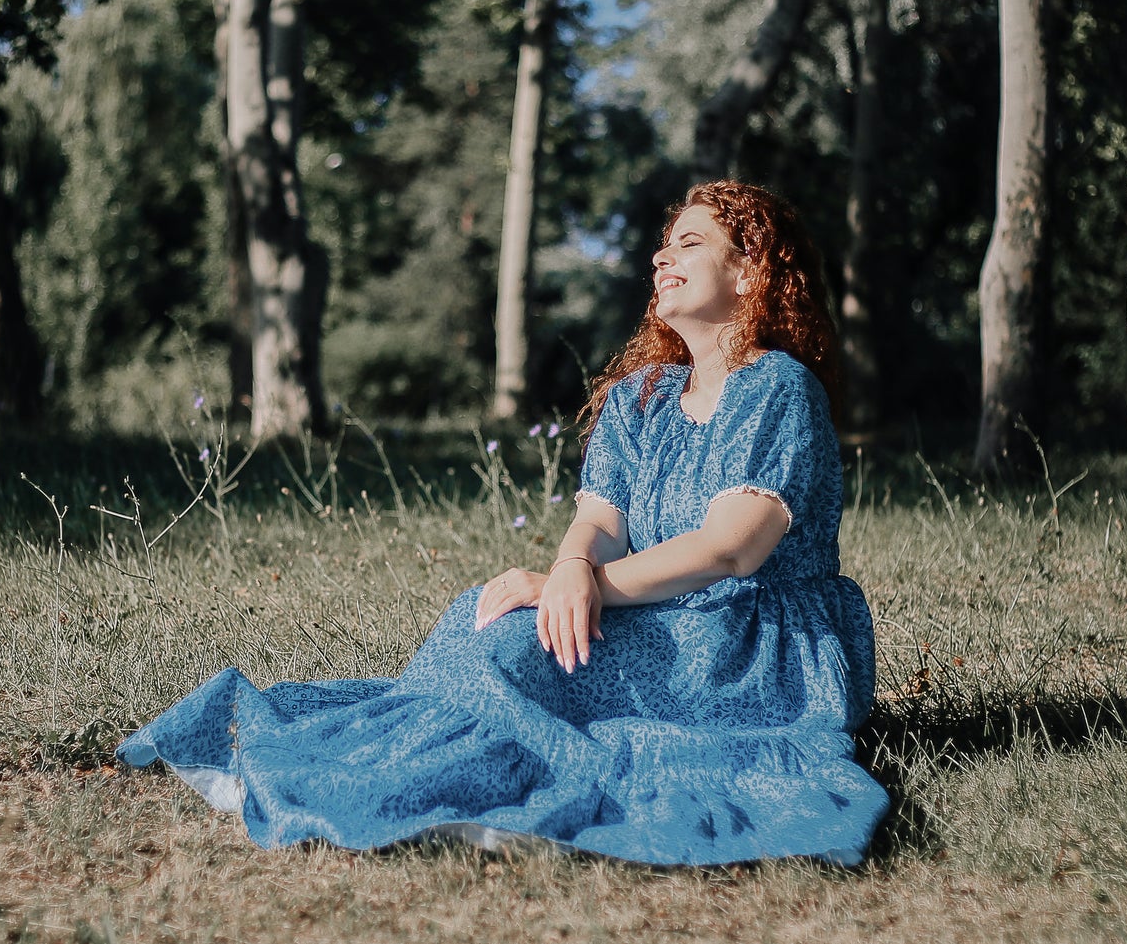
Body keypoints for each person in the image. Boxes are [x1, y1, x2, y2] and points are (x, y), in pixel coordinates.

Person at [117, 181, 887, 865]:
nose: (662, 259)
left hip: (754, 645)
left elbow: (730, 549)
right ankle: (396, 775)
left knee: (523, 646)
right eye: (662, 246)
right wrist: (566, 573)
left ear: (752, 271)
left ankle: (435, 794)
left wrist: (583, 589)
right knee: (486, 619)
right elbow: (598, 522)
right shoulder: (642, 396)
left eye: (690, 243)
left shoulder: (776, 387)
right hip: (668, 613)